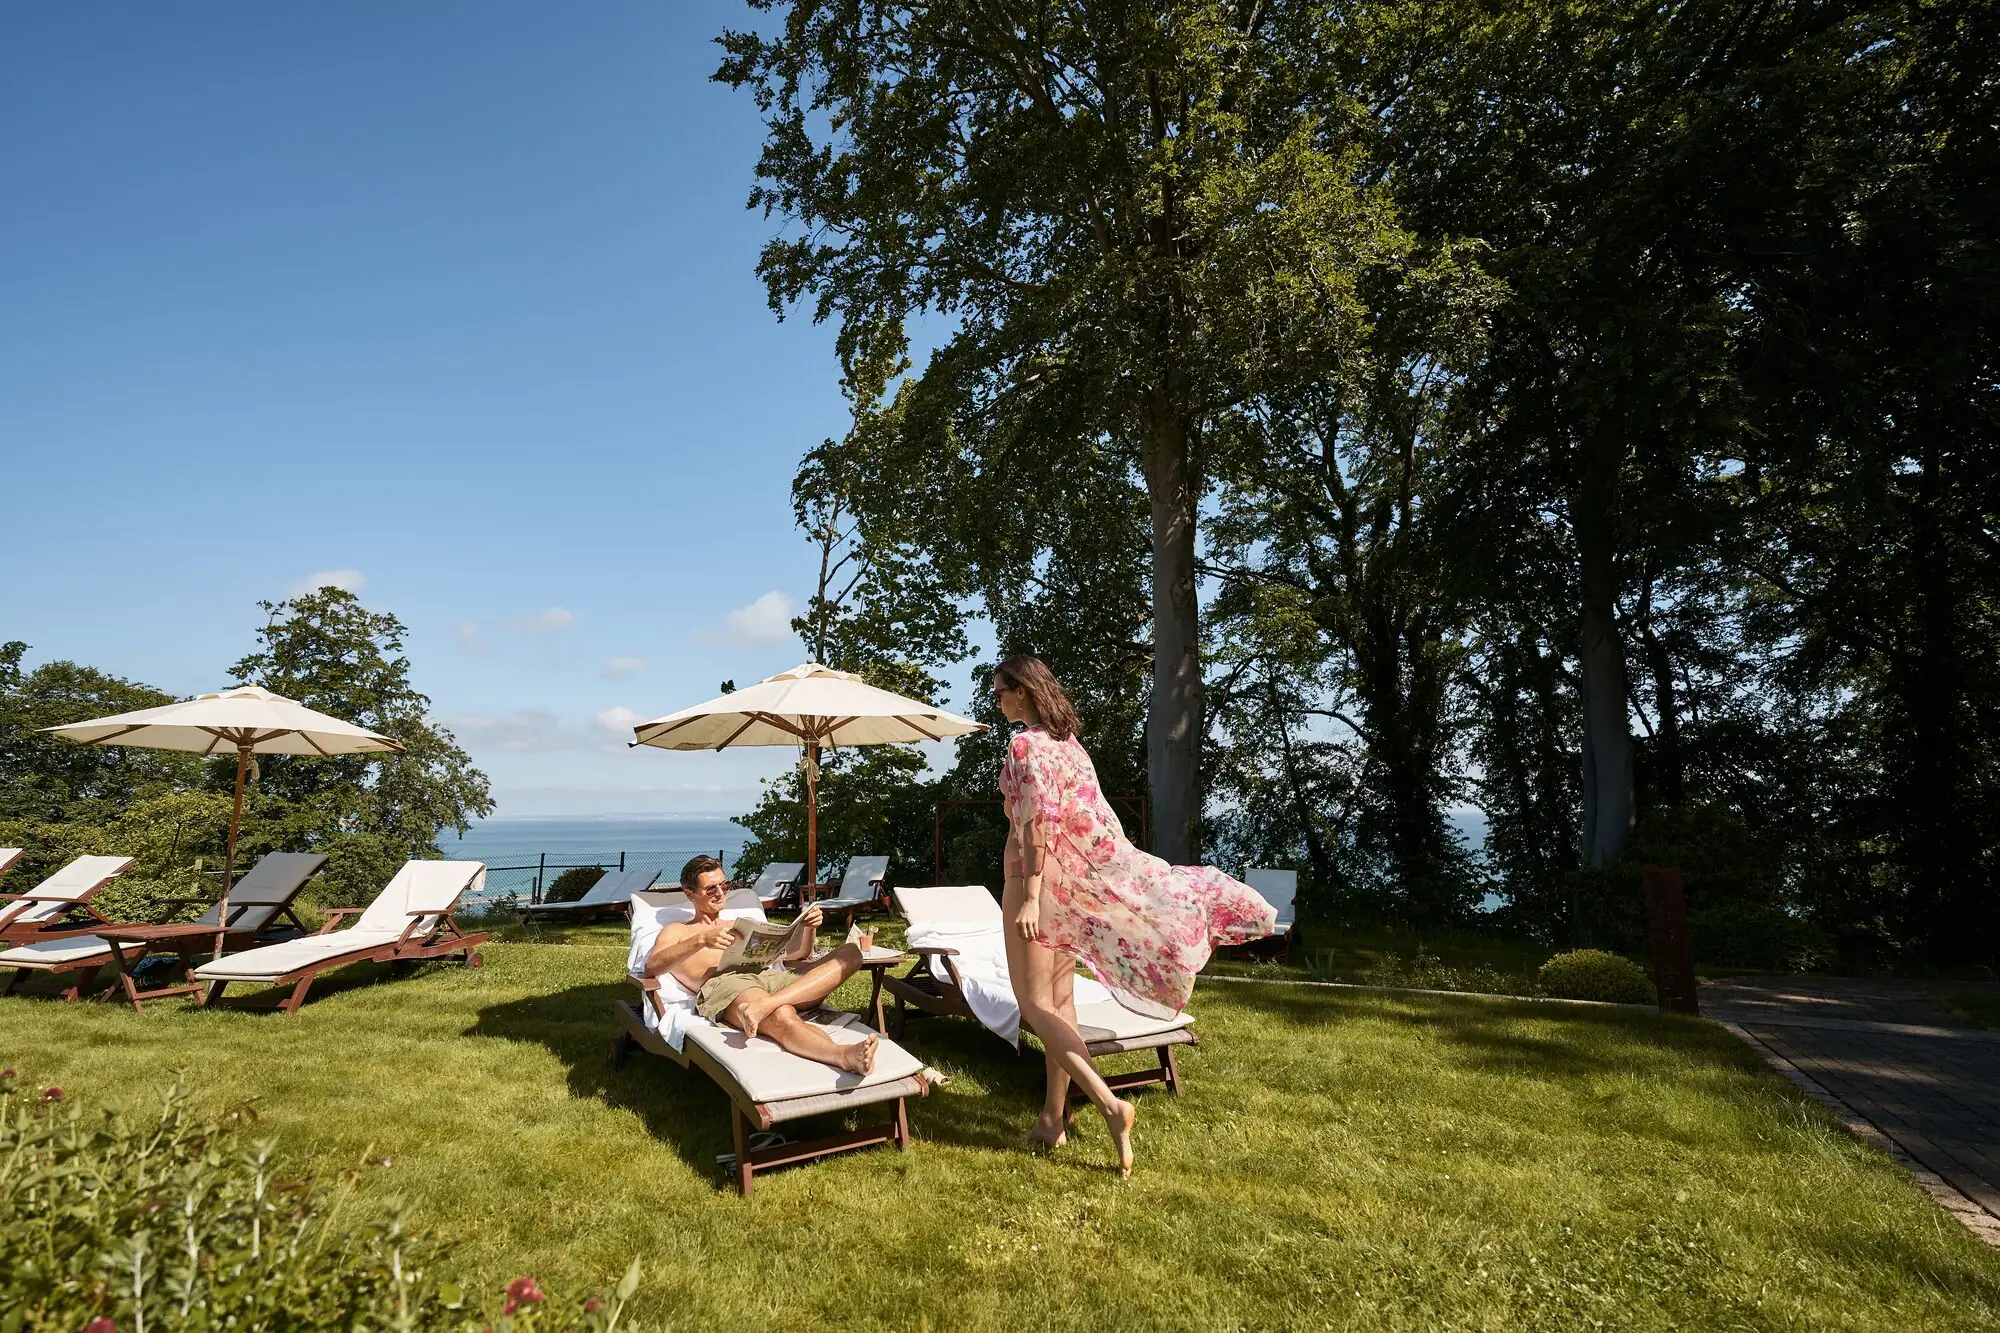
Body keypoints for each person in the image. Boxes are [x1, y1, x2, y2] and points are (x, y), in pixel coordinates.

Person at [996, 655, 1277, 1175]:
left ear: (1025, 691)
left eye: (1002, 691)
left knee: (1033, 1006)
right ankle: (1053, 1118)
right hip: (1069, 883)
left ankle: (1110, 1106)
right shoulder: (1070, 748)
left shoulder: (1026, 745)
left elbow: (1037, 826)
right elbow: (1094, 821)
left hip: (1032, 879)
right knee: (1060, 1002)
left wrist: (1032, 894)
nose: (998, 701)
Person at [644, 855, 877, 1075]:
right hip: (729, 984)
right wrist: (701, 939)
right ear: (689, 893)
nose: (720, 893)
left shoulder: (741, 924)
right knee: (783, 1015)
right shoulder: (678, 931)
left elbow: (801, 953)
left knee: (851, 953)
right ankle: (844, 1055)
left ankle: (766, 1005)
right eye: (711, 889)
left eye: (724, 886)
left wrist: (809, 927)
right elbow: (652, 966)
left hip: (768, 978)